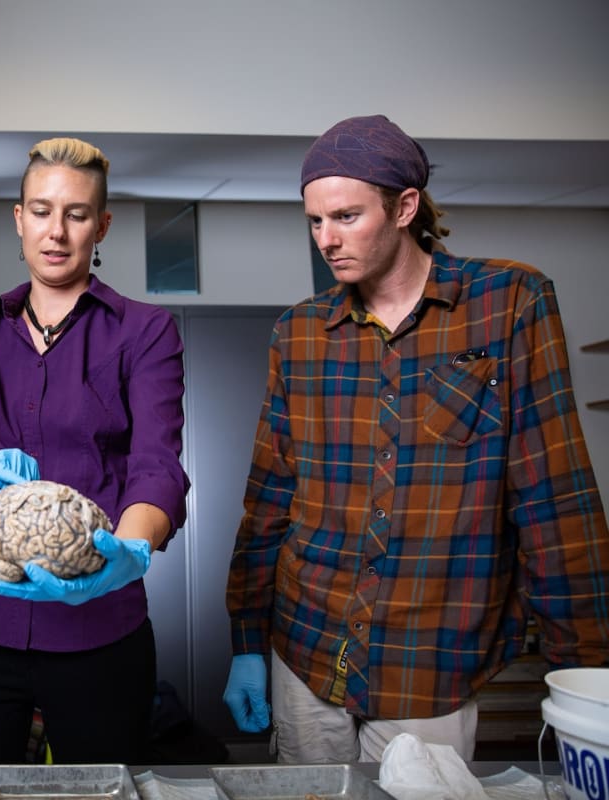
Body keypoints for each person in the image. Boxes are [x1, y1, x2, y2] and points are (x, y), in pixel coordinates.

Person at [222, 114, 609, 764]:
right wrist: (244, 643)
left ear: (404, 207)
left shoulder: (510, 302)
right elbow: (267, 504)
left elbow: (554, 499)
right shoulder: (299, 333)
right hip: (306, 644)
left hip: (432, 654)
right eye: (314, 221)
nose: (326, 239)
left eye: (345, 217)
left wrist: (588, 674)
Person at [0, 137, 190, 765]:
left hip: (100, 618)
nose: (57, 232)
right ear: (18, 219)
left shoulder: (145, 332)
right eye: (42, 211)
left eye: (76, 214)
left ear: (101, 225)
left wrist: (130, 552)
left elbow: (156, 465)